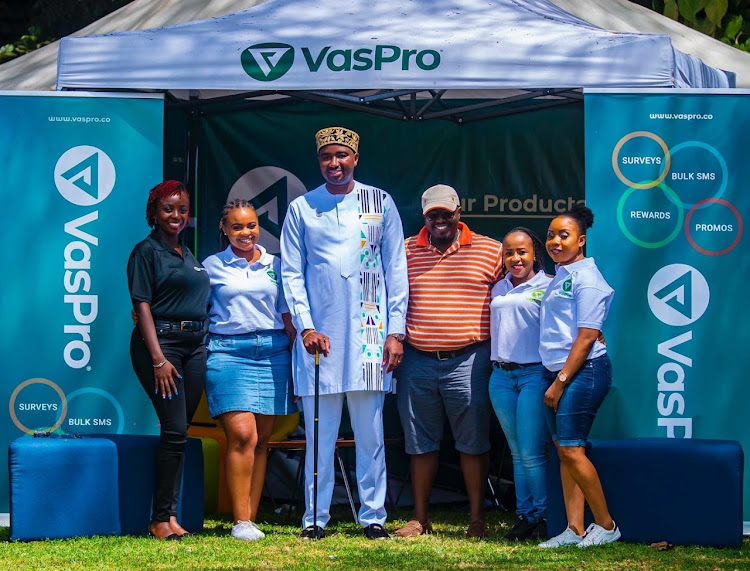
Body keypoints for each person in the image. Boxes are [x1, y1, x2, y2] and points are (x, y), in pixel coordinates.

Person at [280, 126, 408, 540]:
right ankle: (315, 518)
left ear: (355, 157)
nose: (333, 164)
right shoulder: (303, 207)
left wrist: (396, 331)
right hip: (320, 339)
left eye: (341, 156)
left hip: (371, 338)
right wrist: (306, 326)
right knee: (320, 434)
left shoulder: (380, 202)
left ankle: (373, 516)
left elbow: (396, 269)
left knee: (371, 433)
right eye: (326, 157)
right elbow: (291, 274)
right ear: (319, 161)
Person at [395, 184, 503, 540]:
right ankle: (420, 519)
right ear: (424, 215)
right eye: (432, 214)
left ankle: (476, 519)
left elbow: (517, 295)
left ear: (460, 211)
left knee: (473, 442)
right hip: (417, 358)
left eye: (447, 213)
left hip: (470, 358)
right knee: (419, 442)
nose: (440, 220)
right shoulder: (405, 250)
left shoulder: (491, 250)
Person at [202, 199, 296, 541]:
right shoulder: (212, 266)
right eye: (238, 227)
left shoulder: (277, 265)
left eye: (252, 225)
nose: (246, 233)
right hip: (228, 353)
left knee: (261, 443)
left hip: (274, 354)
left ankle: (250, 520)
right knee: (243, 435)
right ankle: (240, 522)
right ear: (225, 230)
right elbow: (195, 306)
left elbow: (287, 315)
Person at [127, 180, 209, 540]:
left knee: (178, 434)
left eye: (182, 209)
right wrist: (159, 359)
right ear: (154, 213)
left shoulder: (187, 254)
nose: (176, 216)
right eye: (168, 209)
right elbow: (141, 305)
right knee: (174, 430)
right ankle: (159, 519)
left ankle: (172, 517)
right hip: (162, 349)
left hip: (194, 349)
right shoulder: (146, 252)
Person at [537, 204, 620, 548]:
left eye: (564, 235)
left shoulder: (588, 279)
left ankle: (606, 525)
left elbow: (587, 337)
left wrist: (560, 382)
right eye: (551, 235)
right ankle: (574, 529)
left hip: (582, 373)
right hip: (560, 371)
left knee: (571, 450)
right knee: (565, 450)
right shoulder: (562, 274)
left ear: (581, 240)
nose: (555, 241)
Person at [488, 227, 552, 541]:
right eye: (509, 253)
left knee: (531, 452)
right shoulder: (497, 287)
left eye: (522, 252)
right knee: (516, 453)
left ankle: (544, 516)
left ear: (534, 254)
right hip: (500, 377)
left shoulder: (549, 286)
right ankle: (525, 515)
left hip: (534, 375)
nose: (516, 258)